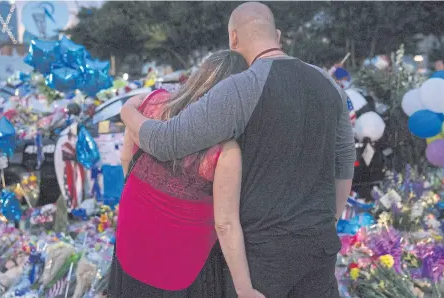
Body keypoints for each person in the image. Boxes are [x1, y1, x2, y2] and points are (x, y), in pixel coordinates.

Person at [121, 2, 356, 298]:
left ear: (233, 38)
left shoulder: (242, 88)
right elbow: (345, 159)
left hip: (264, 252)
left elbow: (167, 142)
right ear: (278, 36)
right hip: (319, 245)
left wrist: (129, 113)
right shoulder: (328, 84)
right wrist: (330, 219)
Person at [108, 50, 263, 298]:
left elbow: (127, 158)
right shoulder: (224, 149)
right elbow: (225, 225)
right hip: (183, 256)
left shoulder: (153, 102)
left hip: (133, 234)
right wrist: (245, 289)